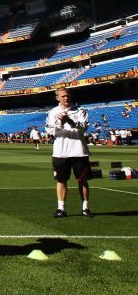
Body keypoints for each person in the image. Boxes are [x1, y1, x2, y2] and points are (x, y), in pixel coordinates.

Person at [45, 87, 92, 218]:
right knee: (61, 180)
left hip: (79, 151)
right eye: (63, 96)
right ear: (57, 98)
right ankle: (61, 209)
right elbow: (49, 130)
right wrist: (60, 121)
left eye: (68, 95)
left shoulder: (80, 110)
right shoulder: (52, 112)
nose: (66, 98)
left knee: (82, 180)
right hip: (60, 152)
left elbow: (84, 127)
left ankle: (86, 208)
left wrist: (70, 121)